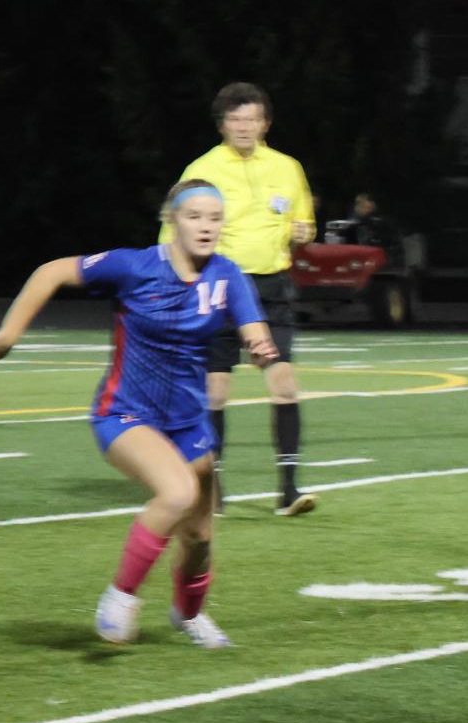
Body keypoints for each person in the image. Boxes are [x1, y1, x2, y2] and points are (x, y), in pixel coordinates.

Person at [0, 180, 278, 647]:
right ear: (172, 219)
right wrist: (6, 337)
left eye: (214, 218)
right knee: (178, 491)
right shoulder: (135, 265)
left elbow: (253, 327)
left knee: (200, 537)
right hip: (124, 413)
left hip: (188, 423)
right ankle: (119, 595)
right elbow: (51, 272)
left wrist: (262, 348)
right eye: (195, 217)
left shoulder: (228, 276)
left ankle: (188, 615)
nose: (206, 226)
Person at [165, 81, 317, 517]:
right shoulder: (202, 170)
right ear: (222, 126)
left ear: (265, 123)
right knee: (215, 391)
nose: (244, 127)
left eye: (252, 119)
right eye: (235, 120)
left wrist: (304, 230)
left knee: (284, 385)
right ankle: (211, 486)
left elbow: (301, 220)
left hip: (272, 289)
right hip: (219, 287)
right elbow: (172, 232)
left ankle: (288, 489)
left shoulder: (288, 167)